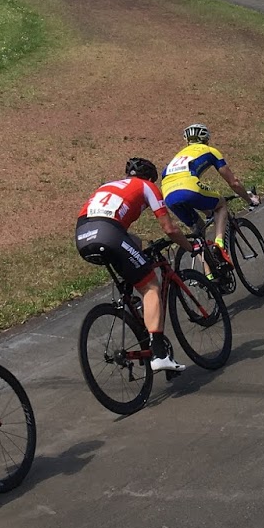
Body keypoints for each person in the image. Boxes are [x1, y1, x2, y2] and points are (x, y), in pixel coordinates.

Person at [77, 159, 197, 374]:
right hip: (110, 234)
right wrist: (189, 247)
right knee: (151, 287)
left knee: (134, 243)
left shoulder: (109, 185)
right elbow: (169, 229)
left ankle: (131, 300)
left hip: (83, 236)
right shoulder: (147, 186)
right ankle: (159, 355)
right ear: (151, 178)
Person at [161, 124, 260, 261]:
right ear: (206, 139)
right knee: (221, 204)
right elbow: (234, 183)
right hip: (189, 187)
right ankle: (219, 244)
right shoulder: (210, 150)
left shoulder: (177, 157)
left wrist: (207, 211)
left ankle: (209, 276)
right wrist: (250, 200)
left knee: (200, 234)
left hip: (168, 194)